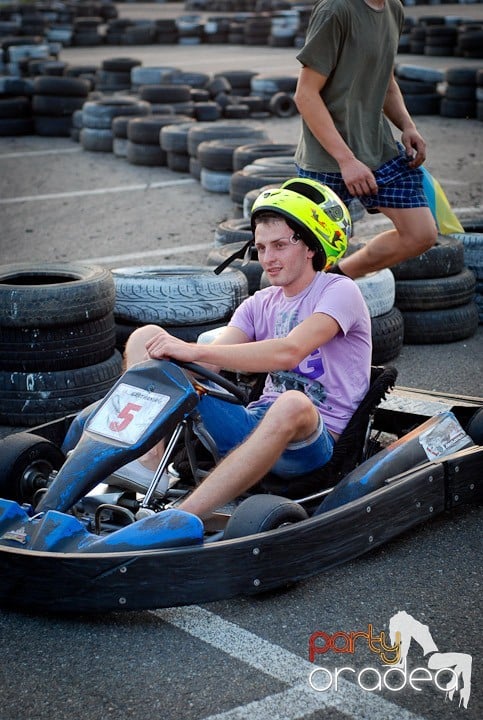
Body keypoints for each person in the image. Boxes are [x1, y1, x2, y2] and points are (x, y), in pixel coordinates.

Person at [122, 179, 372, 521]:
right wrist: (167, 361)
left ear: (310, 246)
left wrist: (191, 350)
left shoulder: (339, 291)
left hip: (313, 441)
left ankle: (177, 518)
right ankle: (148, 461)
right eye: (262, 248)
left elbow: (289, 352)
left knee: (292, 403)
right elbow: (211, 366)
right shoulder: (258, 304)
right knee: (144, 337)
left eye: (280, 245)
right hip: (251, 423)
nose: (268, 259)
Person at [293, 0, 438, 279]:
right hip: (327, 159)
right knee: (307, 260)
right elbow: (305, 94)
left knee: (421, 234)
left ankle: (340, 276)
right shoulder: (335, 10)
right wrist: (347, 160)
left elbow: (386, 80)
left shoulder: (394, 10)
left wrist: (407, 126)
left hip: (378, 150)